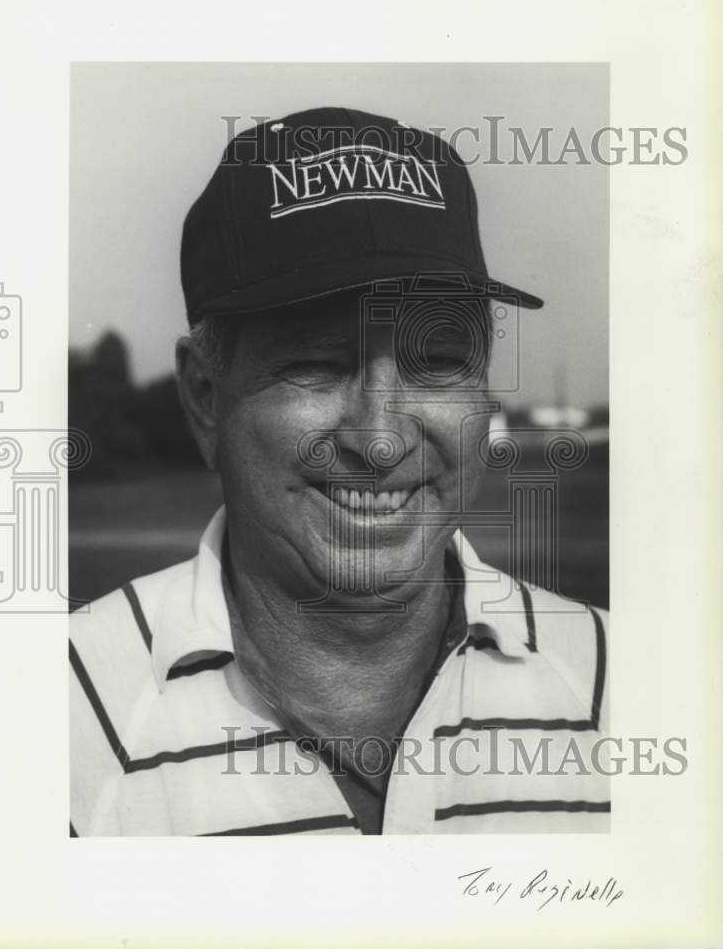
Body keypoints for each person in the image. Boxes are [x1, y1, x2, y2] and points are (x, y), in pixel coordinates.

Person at [70, 107, 609, 836]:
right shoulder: (47, 715)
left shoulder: (634, 687)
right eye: (315, 365)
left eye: (435, 363)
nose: (380, 442)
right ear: (205, 397)